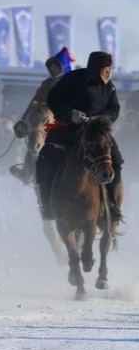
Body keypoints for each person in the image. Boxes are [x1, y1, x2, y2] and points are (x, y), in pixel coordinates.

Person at [36, 51, 123, 222]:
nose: (108, 71)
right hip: (68, 128)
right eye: (105, 68)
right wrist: (70, 114)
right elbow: (53, 98)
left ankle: (112, 205)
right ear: (95, 67)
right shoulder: (73, 79)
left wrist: (100, 119)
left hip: (97, 132)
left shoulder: (109, 87)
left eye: (109, 68)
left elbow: (114, 109)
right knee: (46, 157)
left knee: (116, 161)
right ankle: (47, 203)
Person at [10, 48, 71, 183]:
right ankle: (26, 172)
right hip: (43, 114)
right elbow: (35, 101)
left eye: (56, 66)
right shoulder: (46, 83)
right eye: (51, 66)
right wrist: (24, 119)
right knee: (34, 140)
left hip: (62, 117)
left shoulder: (70, 83)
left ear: (63, 67)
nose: (53, 69)